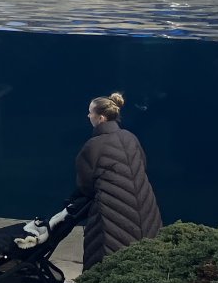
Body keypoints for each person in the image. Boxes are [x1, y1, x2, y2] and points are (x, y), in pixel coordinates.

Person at [68, 92, 162, 269]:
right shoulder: (130, 137)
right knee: (147, 253)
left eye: (90, 112)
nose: (88, 116)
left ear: (101, 118)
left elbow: (85, 184)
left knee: (108, 255)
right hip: (145, 206)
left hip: (111, 211)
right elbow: (142, 165)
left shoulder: (93, 145)